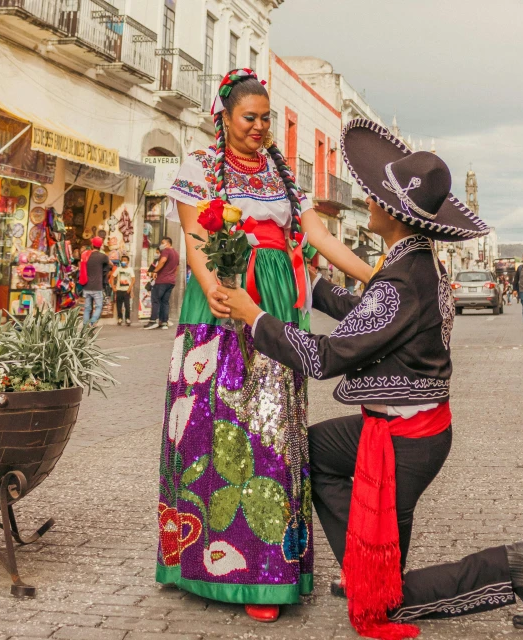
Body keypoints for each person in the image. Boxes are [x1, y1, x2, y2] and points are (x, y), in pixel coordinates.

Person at [219, 119, 523, 638]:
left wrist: (255, 317)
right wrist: (305, 281)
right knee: (308, 453)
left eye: (377, 196)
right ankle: (364, 567)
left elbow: (329, 357)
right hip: (400, 430)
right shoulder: (410, 264)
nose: (368, 200)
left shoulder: (402, 279)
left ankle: (512, 566)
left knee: (387, 602)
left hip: (406, 441)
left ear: (393, 214)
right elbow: (365, 313)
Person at [155, 69, 372, 623]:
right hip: (221, 304)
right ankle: (209, 563)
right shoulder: (200, 167)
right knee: (215, 425)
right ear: (224, 119)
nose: (258, 127)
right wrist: (215, 291)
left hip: (276, 304)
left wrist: (379, 276)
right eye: (249, 118)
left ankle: (268, 571)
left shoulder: (280, 174)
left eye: (265, 118)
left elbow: (320, 239)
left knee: (274, 428)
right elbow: (196, 238)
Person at [144, 237, 179, 330]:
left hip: (162, 280)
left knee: (156, 300)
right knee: (165, 302)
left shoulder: (166, 251)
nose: (161, 244)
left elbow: (162, 261)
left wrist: (155, 271)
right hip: (171, 281)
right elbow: (177, 268)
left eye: (163, 242)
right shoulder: (176, 253)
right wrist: (172, 277)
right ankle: (164, 322)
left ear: (168, 243)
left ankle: (153, 321)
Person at [81, 236, 109, 327]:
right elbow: (110, 266)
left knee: (87, 308)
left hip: (86, 286)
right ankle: (92, 322)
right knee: (98, 307)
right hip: (97, 287)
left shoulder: (85, 255)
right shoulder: (103, 257)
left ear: (92, 244)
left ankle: (85, 325)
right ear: (100, 246)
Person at [112, 255, 135, 326]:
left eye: (125, 260)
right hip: (119, 290)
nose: (123, 261)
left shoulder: (130, 269)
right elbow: (112, 277)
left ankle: (127, 319)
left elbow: (133, 279)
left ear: (128, 262)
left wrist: (130, 288)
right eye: (122, 260)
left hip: (126, 290)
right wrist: (113, 287)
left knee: (127, 305)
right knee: (119, 305)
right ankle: (120, 318)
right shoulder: (118, 269)